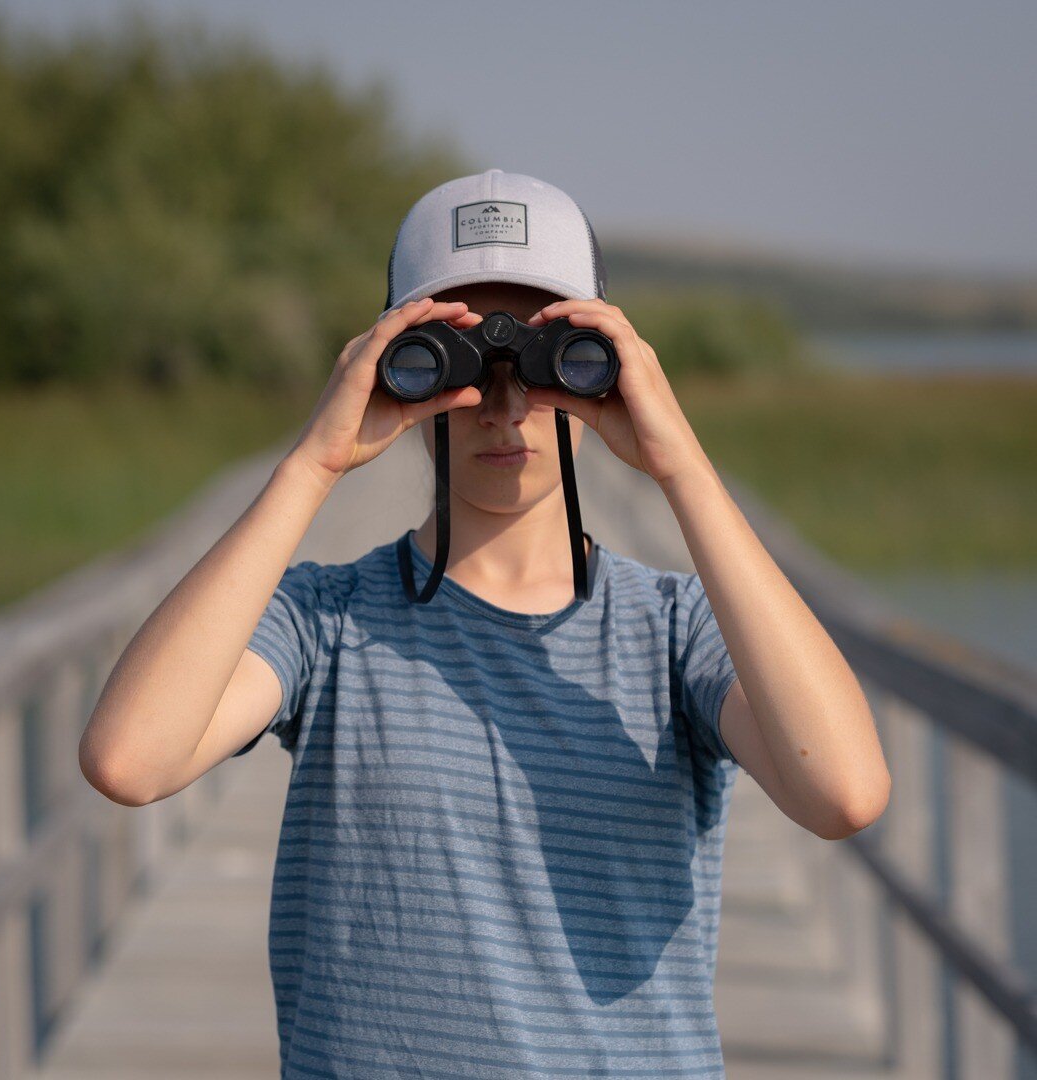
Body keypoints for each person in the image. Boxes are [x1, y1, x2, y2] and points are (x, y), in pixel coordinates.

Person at [80, 169, 891, 1079]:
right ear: (390, 360)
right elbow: (129, 760)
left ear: (611, 368)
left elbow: (845, 795)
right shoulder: (327, 620)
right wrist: (313, 463)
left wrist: (681, 467)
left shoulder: (675, 630)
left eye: (552, 360)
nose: (502, 405)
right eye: (455, 360)